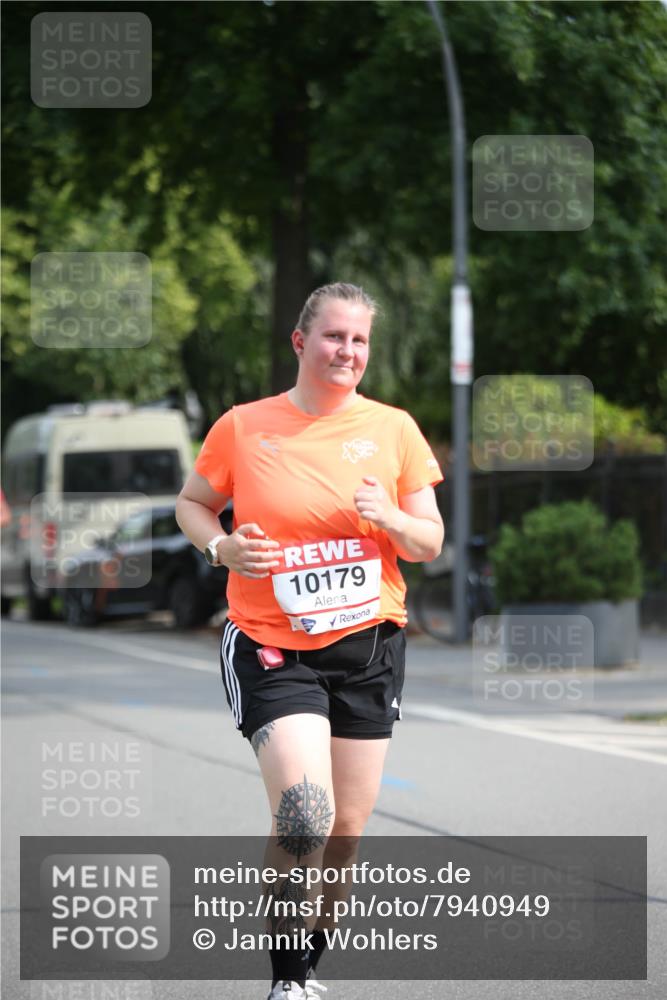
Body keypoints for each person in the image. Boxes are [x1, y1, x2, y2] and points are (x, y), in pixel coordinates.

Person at [175, 282, 444, 1000]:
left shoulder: (393, 430)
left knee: (346, 830)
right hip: (270, 644)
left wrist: (388, 515)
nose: (346, 352)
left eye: (358, 341)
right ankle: (286, 982)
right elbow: (193, 504)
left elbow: (428, 542)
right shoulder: (243, 426)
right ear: (301, 342)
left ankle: (308, 964)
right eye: (333, 337)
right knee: (305, 810)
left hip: (368, 650)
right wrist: (221, 547)